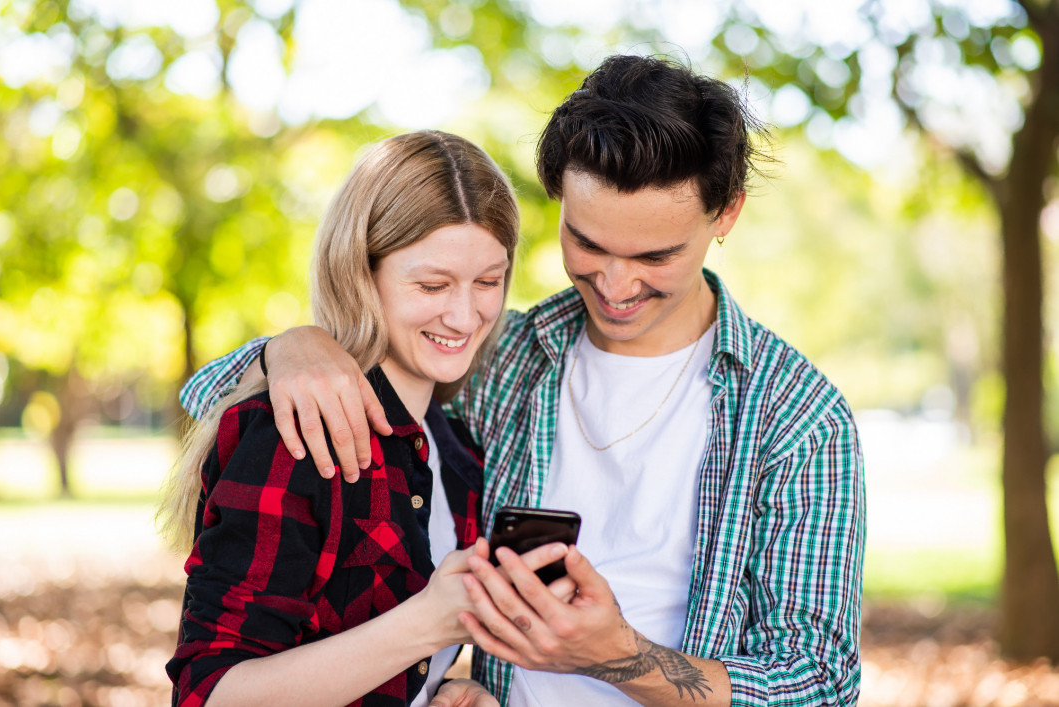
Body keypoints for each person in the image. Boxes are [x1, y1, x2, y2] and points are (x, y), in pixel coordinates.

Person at [180, 55, 866, 706]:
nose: (617, 283)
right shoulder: (502, 357)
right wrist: (289, 348)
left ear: (727, 215)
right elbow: (228, 411)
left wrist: (612, 653)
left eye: (655, 255)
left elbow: (820, 682)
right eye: (588, 242)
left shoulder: (797, 417)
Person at [159, 130, 573, 707]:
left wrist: (443, 688)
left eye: (488, 282)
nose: (464, 315)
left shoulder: (455, 450)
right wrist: (427, 626)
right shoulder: (299, 431)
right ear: (361, 271)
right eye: (432, 284)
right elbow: (211, 693)